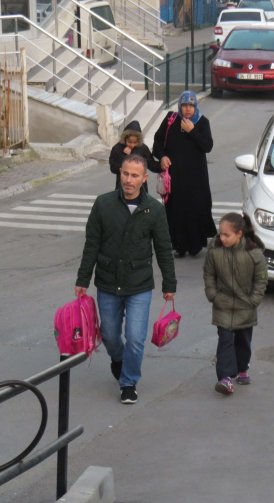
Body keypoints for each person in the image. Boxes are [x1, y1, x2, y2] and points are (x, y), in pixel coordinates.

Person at [75, 154, 177, 405]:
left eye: (134, 176)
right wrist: (83, 278)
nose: (128, 180)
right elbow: (92, 244)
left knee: (135, 337)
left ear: (144, 178)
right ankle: (119, 361)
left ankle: (129, 382)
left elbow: (163, 248)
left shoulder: (154, 209)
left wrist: (169, 284)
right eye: (125, 174)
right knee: (109, 334)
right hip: (108, 282)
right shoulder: (103, 204)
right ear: (119, 173)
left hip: (139, 284)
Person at [203, 212, 268, 396]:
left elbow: (261, 279)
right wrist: (212, 294)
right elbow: (209, 274)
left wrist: (254, 299)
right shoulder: (214, 252)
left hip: (245, 306)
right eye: (220, 234)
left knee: (242, 341)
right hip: (222, 305)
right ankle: (225, 378)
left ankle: (242, 368)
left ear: (239, 234)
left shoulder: (254, 253)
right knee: (225, 342)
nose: (222, 238)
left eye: (226, 235)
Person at [152, 90, 217, 258]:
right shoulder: (170, 120)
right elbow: (158, 141)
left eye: (191, 106)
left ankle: (195, 245)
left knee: (195, 209)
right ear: (179, 106)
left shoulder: (202, 123)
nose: (188, 109)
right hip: (174, 178)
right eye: (184, 105)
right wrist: (162, 156)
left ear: (195, 107)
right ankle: (178, 246)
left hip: (196, 179)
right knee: (175, 211)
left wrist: (192, 131)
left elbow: (207, 146)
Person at [108, 120, 160, 192]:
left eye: (135, 142)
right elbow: (113, 168)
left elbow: (152, 165)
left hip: (141, 189)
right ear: (125, 138)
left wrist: (164, 166)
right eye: (129, 142)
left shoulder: (143, 148)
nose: (132, 145)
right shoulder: (117, 148)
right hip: (123, 188)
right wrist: (124, 156)